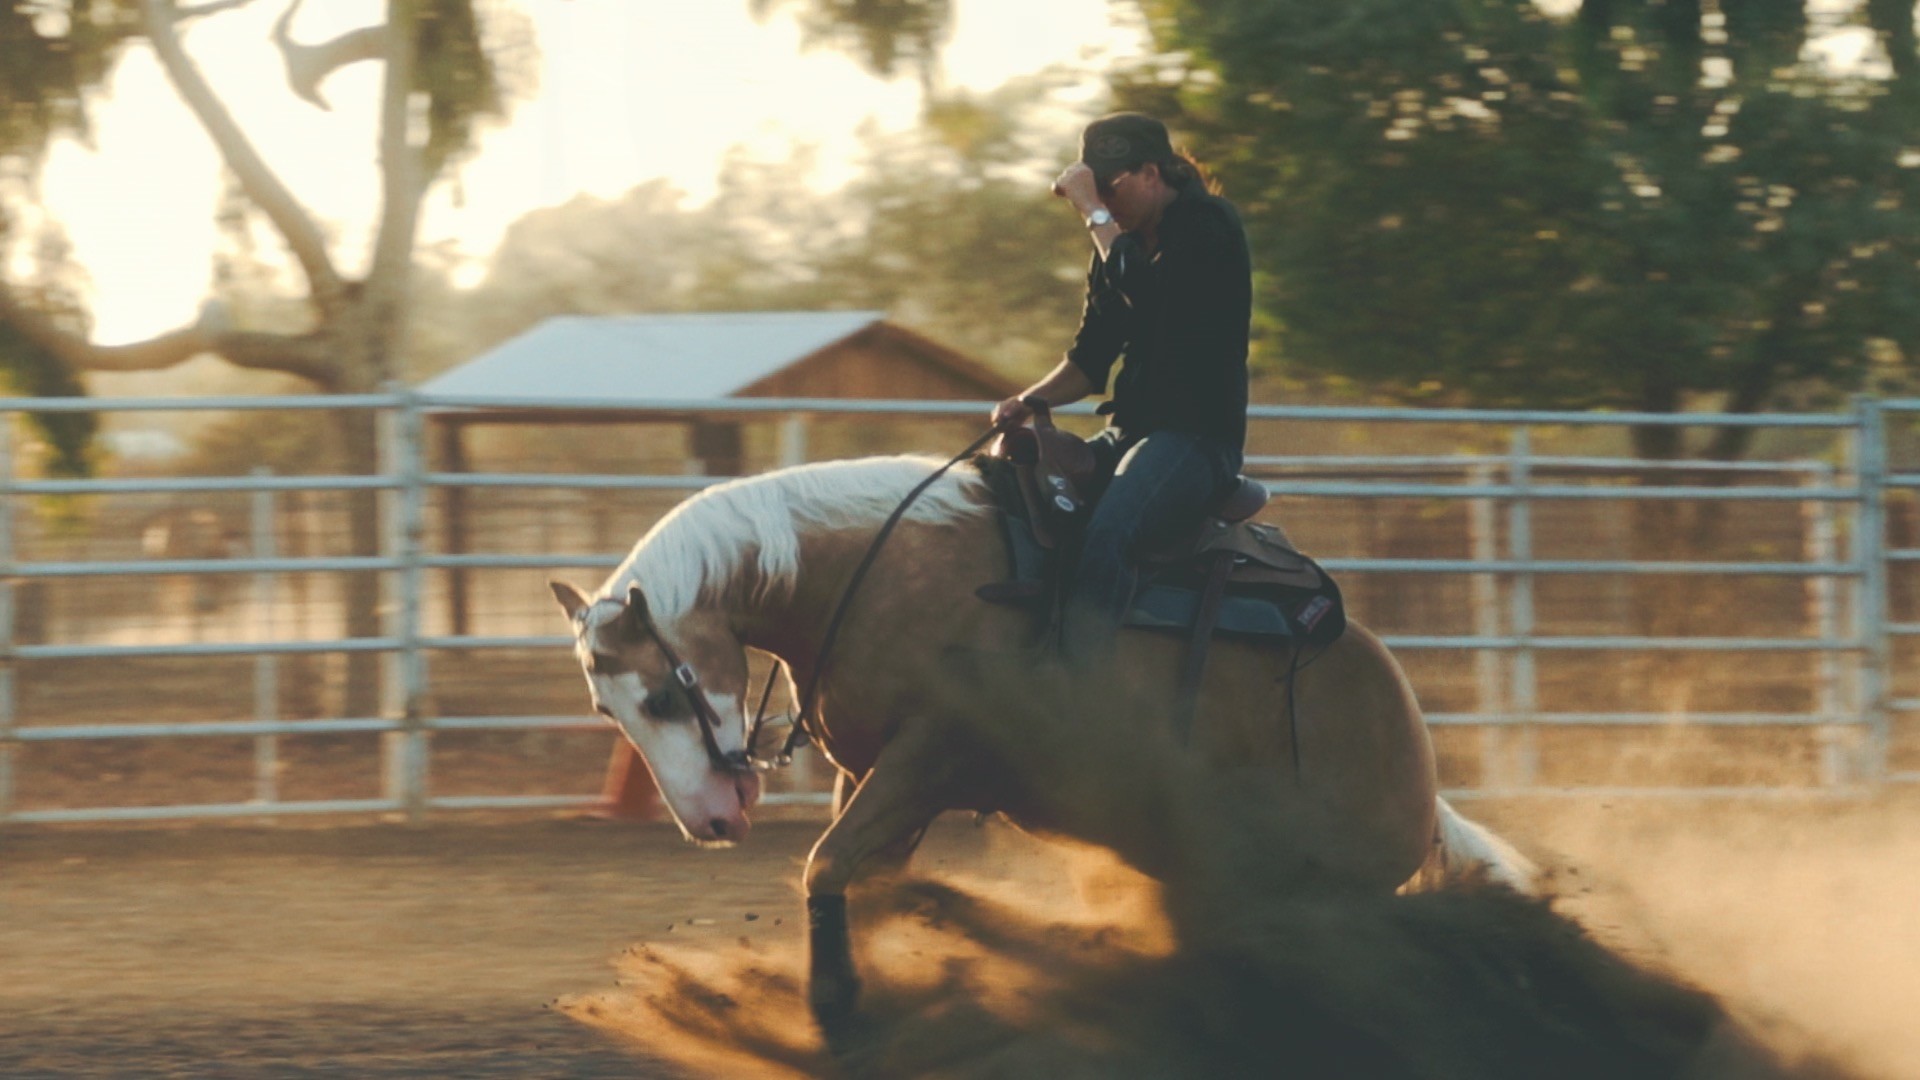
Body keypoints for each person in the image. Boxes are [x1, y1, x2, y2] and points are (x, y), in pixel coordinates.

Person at [991, 112, 1253, 670]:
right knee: (1009, 493)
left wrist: (1094, 214)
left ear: (1153, 174)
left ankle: (1078, 691)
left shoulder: (1209, 227)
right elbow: (1091, 358)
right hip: (1131, 431)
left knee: (1112, 530)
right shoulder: (1116, 245)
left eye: (1112, 186)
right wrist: (1031, 400)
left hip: (1197, 439)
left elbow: (1153, 293)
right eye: (1097, 189)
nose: (1103, 200)